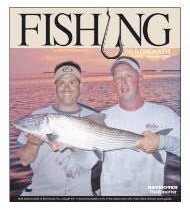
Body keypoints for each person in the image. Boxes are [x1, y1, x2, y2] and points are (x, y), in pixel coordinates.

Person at [17, 61, 101, 196]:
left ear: (80, 85)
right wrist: (33, 144)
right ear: (55, 86)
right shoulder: (36, 118)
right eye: (61, 82)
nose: (66, 88)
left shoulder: (94, 117)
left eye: (72, 82)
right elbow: (24, 160)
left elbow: (91, 162)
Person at [99, 56, 180, 196]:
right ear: (113, 84)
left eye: (128, 76)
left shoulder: (164, 114)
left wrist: (162, 141)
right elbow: (87, 162)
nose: (123, 83)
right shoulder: (103, 118)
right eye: (117, 78)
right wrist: (71, 144)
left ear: (140, 78)